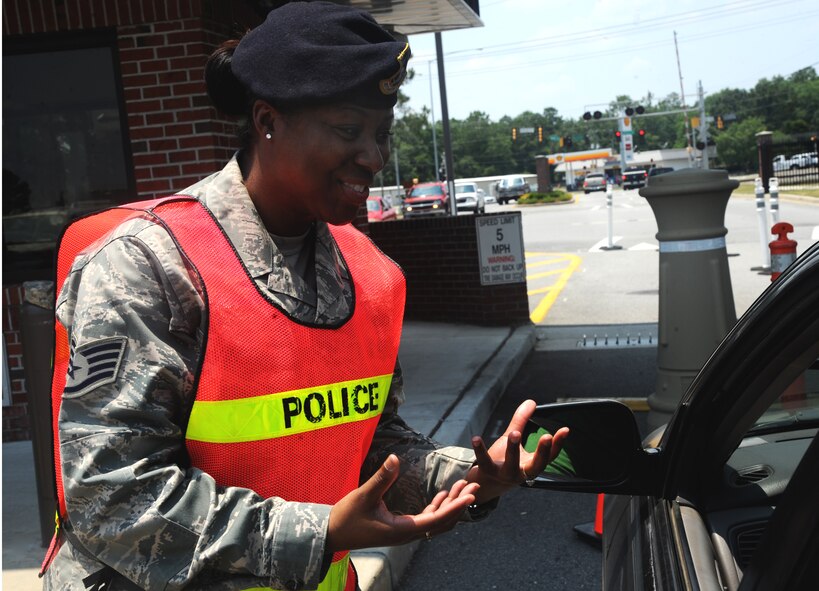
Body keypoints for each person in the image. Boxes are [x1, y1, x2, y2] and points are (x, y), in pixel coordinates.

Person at [42, 3, 568, 590]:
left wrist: (469, 475)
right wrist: (321, 534)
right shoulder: (151, 265)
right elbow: (112, 498)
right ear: (267, 120)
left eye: (381, 133)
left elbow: (368, 443)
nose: (374, 156)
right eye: (349, 130)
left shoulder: (372, 276)